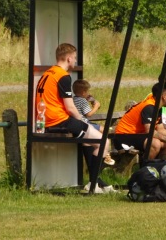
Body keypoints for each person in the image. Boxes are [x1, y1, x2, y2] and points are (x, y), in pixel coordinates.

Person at [35, 43, 115, 192]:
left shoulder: (47, 73)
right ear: (69, 58)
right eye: (75, 58)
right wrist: (83, 121)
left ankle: (96, 182)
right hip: (60, 121)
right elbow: (71, 108)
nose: (76, 61)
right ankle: (93, 184)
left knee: (88, 142)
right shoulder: (63, 76)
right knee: (104, 142)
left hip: (45, 120)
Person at [113, 81, 166, 163]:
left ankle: (162, 169)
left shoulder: (158, 108)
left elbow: (160, 129)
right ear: (164, 96)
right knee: (155, 143)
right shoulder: (149, 107)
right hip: (123, 136)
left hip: (137, 135)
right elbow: (150, 131)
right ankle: (146, 168)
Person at [72, 79, 115, 166]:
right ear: (84, 92)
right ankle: (106, 153)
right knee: (104, 130)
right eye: (87, 92)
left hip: (79, 124)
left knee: (100, 132)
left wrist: (90, 100)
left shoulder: (74, 99)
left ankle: (103, 151)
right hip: (85, 124)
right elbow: (89, 114)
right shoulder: (82, 101)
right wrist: (96, 106)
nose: (88, 93)